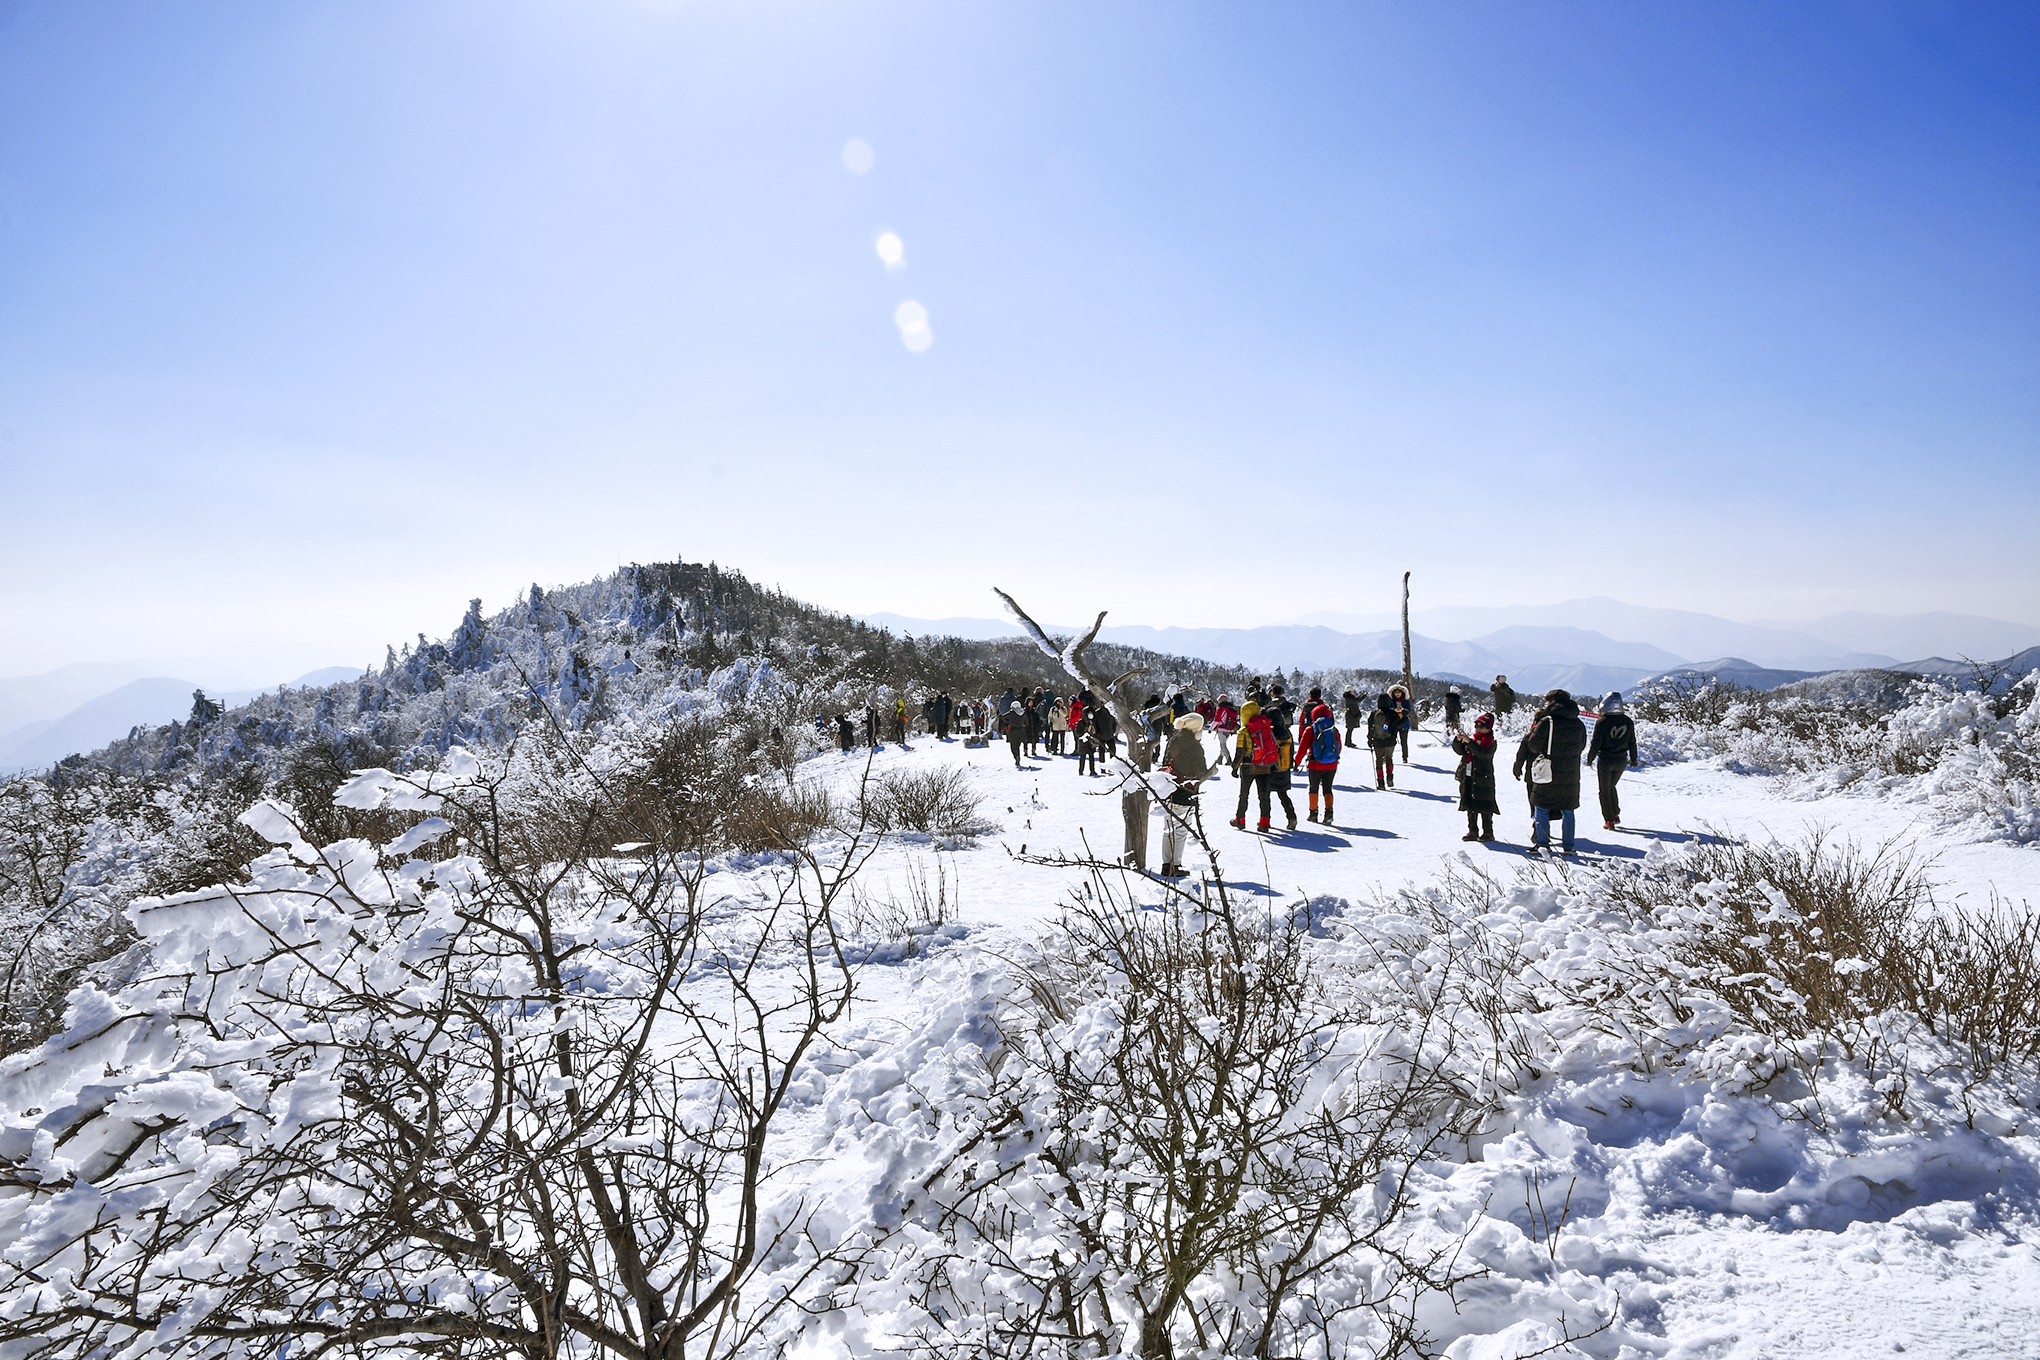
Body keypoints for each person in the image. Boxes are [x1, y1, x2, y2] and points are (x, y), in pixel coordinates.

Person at [1521, 689, 1589, 853]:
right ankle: (1569, 846)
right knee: (1568, 809)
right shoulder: (1578, 723)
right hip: (1571, 772)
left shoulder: (1548, 722)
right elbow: (1582, 745)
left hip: (1549, 771)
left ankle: (1543, 844)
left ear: (1552, 702)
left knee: (1541, 807)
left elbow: (1533, 745)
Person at [1229, 698, 1295, 831]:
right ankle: (1264, 822)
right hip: (1264, 766)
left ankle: (1240, 819)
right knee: (1264, 796)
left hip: (1248, 766)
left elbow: (1240, 752)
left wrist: (1234, 767)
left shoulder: (1244, 731)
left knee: (1244, 794)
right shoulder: (1266, 727)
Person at [1159, 711, 1211, 878]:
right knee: (1180, 831)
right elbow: (1201, 771)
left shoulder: (1173, 739)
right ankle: (1175, 865)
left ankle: (1166, 865)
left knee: (1168, 830)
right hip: (1185, 793)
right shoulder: (1195, 746)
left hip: (1168, 790)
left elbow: (1165, 762)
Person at [1584, 691, 1641, 829]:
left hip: (1606, 760)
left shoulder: (1602, 722)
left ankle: (1609, 819)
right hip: (1621, 760)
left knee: (1604, 790)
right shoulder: (1627, 721)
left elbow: (1596, 742)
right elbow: (1632, 742)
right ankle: (1615, 813)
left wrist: (1590, 757)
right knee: (1611, 786)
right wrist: (1634, 758)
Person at [1453, 714, 1500, 842]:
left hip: (1484, 778)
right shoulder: (1472, 740)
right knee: (1470, 804)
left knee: (1485, 806)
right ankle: (1472, 830)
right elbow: (1460, 751)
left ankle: (1488, 832)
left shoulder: (1490, 742)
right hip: (1469, 775)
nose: (1479, 729)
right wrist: (1458, 740)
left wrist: (1469, 742)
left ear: (1489, 728)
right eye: (1477, 726)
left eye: (1482, 726)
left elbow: (1483, 754)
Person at [1299, 687, 1341, 823]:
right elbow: (1338, 747)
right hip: (1331, 764)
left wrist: (1296, 762)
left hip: (1315, 764)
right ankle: (1329, 813)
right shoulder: (1334, 729)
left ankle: (1313, 813)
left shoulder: (1310, 730)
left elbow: (1302, 749)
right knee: (1328, 789)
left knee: (1313, 788)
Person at [1367, 693, 1399, 788]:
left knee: (1379, 761)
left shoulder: (1374, 713)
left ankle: (1380, 782)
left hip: (1377, 741)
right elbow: (1398, 725)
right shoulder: (1392, 713)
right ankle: (1390, 778)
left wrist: (1370, 739)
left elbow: (1370, 727)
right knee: (1389, 759)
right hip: (1390, 741)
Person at [1387, 684, 1414, 762]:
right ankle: (1388, 756)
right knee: (1391, 741)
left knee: (1404, 742)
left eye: (1399, 692)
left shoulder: (1406, 701)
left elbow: (1409, 710)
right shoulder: (1391, 701)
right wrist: (1394, 710)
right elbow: (1388, 709)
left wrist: (1403, 710)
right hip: (1394, 723)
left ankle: (1405, 757)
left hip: (1404, 723)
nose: (1397, 694)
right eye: (1396, 692)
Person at [1212, 693, 1239, 768]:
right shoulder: (1230, 708)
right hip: (1229, 729)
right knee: (1223, 744)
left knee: (1223, 745)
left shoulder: (1221, 709)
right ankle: (1220, 759)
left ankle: (1229, 759)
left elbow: (1216, 720)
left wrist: (1211, 729)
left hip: (1222, 728)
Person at [1001, 699, 1028, 769]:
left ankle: (1016, 757)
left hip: (1013, 731)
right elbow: (1026, 722)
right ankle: (1018, 757)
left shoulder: (1011, 713)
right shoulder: (1023, 713)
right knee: (1018, 746)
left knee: (1013, 747)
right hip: (1021, 731)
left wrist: (1007, 723)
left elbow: (1003, 717)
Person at [1074, 705, 1099, 776]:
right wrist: (1084, 735)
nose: (1090, 714)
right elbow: (1077, 732)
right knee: (1082, 757)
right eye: (1088, 713)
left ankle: (1092, 770)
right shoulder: (1081, 722)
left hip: (1091, 742)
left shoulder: (1093, 722)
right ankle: (1081, 771)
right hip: (1083, 742)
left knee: (1091, 757)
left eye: (1091, 713)